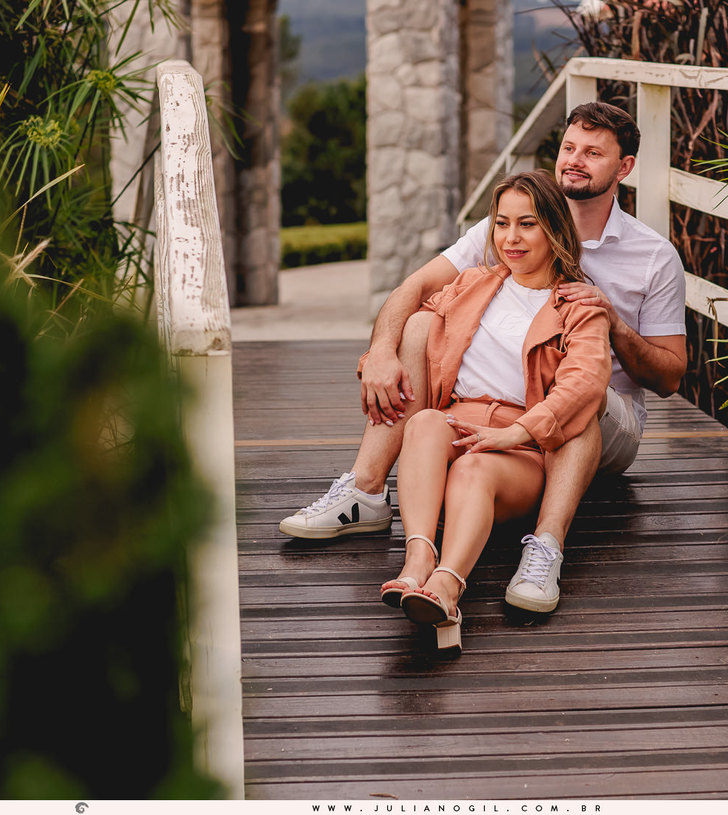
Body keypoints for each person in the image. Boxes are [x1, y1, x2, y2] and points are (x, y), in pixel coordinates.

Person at [279, 102, 688, 614]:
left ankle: (545, 547)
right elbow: (418, 288)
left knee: (586, 394)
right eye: (568, 148)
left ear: (623, 168)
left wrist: (614, 322)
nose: (574, 161)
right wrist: (381, 352)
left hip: (602, 420)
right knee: (425, 328)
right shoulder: (508, 227)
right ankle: (367, 489)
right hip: (503, 407)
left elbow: (670, 377)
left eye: (593, 153)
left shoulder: (652, 256)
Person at [381, 170, 612, 653]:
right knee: (424, 422)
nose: (511, 238)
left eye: (527, 224)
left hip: (518, 449)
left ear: (553, 227)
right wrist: (374, 359)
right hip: (458, 423)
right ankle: (418, 558)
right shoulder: (472, 284)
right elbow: (410, 317)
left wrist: (517, 434)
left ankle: (447, 586)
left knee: (474, 468)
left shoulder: (577, 306)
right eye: (502, 223)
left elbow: (585, 384)